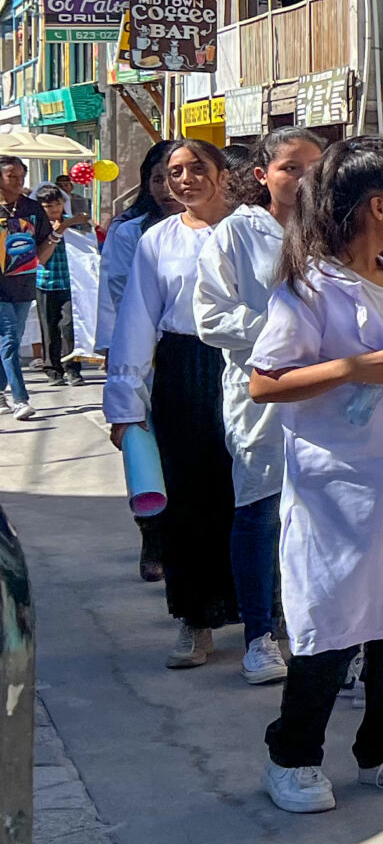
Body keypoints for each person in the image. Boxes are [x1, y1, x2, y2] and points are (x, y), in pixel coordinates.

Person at [247, 137, 383, 813]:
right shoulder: (310, 287)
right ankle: (294, 754)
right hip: (338, 487)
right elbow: (264, 382)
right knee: (331, 622)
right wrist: (348, 369)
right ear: (376, 207)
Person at [106, 140, 255, 671]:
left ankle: (263, 620)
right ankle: (195, 618)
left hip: (249, 364)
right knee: (189, 495)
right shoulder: (158, 240)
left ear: (223, 175)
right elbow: (136, 320)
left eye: (197, 168)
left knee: (253, 493)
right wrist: (124, 405)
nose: (184, 179)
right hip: (184, 368)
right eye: (175, 172)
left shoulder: (253, 230)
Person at [195, 127, 327, 689]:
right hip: (262, 392)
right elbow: (211, 316)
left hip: (329, 392)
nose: (304, 178)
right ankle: (258, 634)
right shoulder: (237, 233)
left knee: (322, 515)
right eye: (290, 168)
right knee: (260, 511)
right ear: (262, 175)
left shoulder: (336, 227)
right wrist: (284, 331)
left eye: (314, 167)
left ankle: (318, 633)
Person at [102, 141, 180, 583]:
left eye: (176, 177)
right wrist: (115, 356)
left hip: (190, 353)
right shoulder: (130, 231)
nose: (168, 188)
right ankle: (152, 537)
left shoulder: (220, 229)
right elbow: (114, 294)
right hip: (139, 352)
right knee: (145, 448)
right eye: (158, 178)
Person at [0, 155, 56, 419]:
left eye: (22, 176)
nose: (18, 181)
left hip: (23, 285)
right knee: (10, 337)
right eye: (12, 176)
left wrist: (57, 235)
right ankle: (20, 399)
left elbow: (43, 245)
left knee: (10, 340)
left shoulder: (32, 208)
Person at [32, 185, 77, 388]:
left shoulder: (74, 223)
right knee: (49, 330)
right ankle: (53, 370)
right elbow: (39, 259)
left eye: (57, 204)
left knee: (69, 327)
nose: (54, 209)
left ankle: (72, 368)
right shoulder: (37, 226)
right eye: (48, 206)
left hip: (70, 283)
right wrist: (58, 231)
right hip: (45, 283)